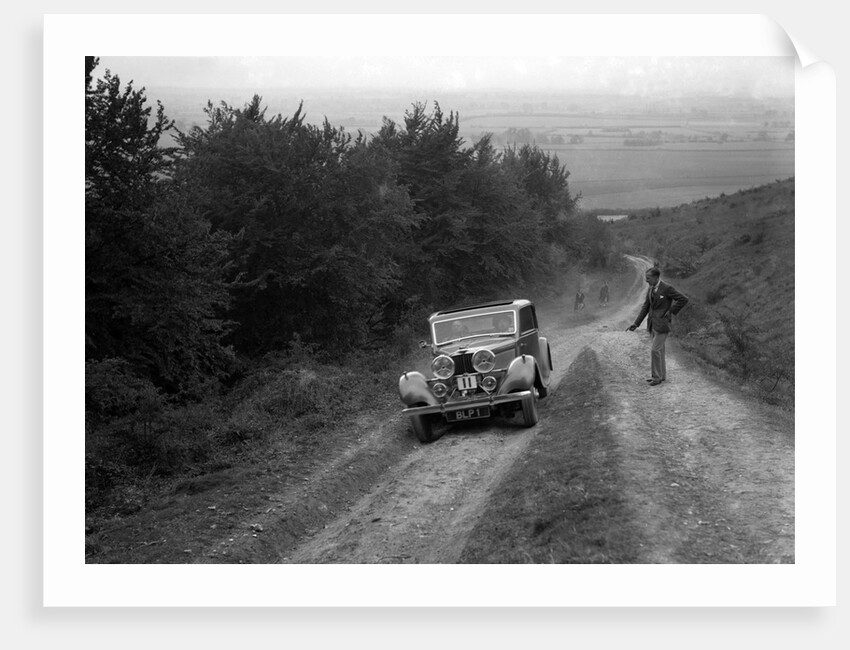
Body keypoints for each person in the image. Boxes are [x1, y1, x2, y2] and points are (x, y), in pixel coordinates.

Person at [626, 267, 689, 386]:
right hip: (652, 324)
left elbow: (683, 299)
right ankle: (662, 376)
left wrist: (671, 311)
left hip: (662, 325)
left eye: (648, 278)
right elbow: (645, 307)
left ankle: (656, 378)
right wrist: (636, 323)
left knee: (655, 350)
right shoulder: (650, 289)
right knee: (660, 350)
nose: (646, 281)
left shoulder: (667, 288)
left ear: (656, 277)